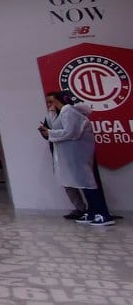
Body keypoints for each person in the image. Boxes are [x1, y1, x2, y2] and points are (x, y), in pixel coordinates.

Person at [40, 91, 113, 226]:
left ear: (59, 100)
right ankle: (92, 212)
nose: (49, 105)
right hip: (70, 156)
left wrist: (49, 132)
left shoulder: (69, 111)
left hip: (79, 155)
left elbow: (71, 132)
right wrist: (47, 131)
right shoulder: (57, 115)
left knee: (88, 183)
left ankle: (102, 213)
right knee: (81, 183)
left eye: (51, 101)